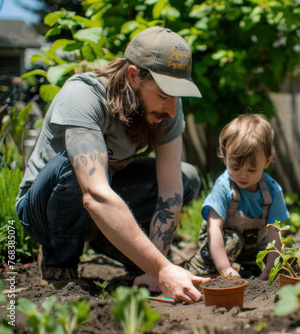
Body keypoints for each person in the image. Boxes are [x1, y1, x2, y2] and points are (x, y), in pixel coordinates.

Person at [15, 27, 210, 303]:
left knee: (187, 176)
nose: (171, 108)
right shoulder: (84, 96)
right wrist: (164, 268)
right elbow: (95, 194)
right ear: (133, 76)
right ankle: (59, 264)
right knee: (77, 166)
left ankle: (125, 251)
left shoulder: (168, 109)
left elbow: (170, 190)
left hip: (100, 202)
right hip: (44, 210)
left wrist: (153, 268)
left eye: (177, 95)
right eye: (165, 94)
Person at [184, 114, 290, 280]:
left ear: (268, 161)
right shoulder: (224, 187)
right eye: (236, 167)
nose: (243, 175)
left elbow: (274, 235)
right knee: (234, 241)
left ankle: (250, 269)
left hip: (254, 244)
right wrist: (225, 268)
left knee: (284, 259)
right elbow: (214, 228)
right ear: (225, 157)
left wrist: (270, 270)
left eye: (252, 170)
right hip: (220, 242)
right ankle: (201, 267)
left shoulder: (273, 191)